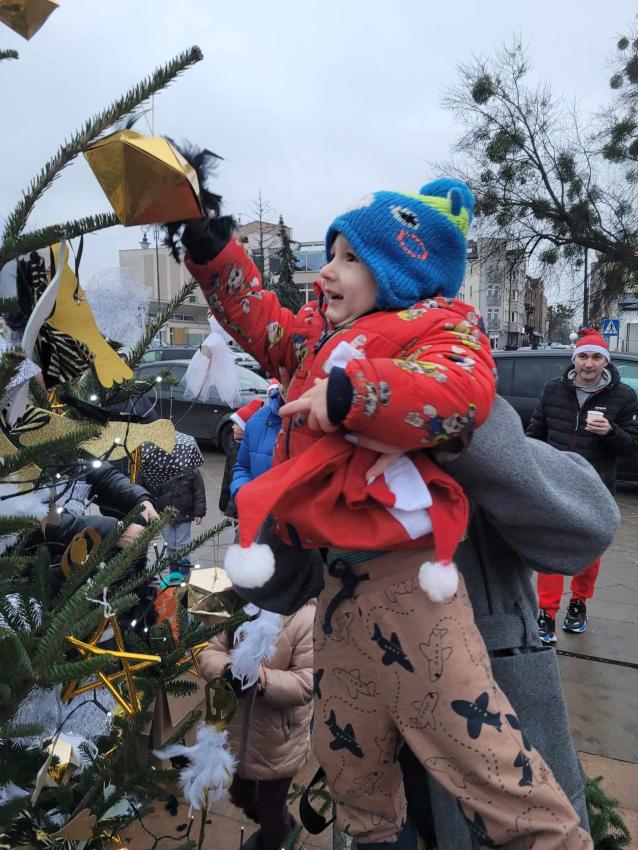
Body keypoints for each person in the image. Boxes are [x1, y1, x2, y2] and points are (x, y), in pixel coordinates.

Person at [183, 178, 592, 848]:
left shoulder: (440, 328)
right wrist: (211, 245)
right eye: (330, 254)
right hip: (342, 599)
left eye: (349, 259)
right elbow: (261, 321)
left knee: (488, 765)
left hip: (415, 595)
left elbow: (459, 389)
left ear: (399, 272)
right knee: (346, 753)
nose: (326, 272)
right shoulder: (320, 336)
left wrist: (355, 396)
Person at [526, 328, 638, 642]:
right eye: (583, 356)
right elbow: (535, 434)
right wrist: (532, 471)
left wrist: (610, 432)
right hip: (555, 482)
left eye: (596, 357)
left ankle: (579, 604)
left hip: (596, 486)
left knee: (589, 550)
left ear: (606, 361)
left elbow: (631, 446)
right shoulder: (553, 389)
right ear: (574, 359)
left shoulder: (624, 396)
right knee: (550, 549)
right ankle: (546, 612)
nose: (589, 364)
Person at [198, 601, 314, 850]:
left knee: (271, 811)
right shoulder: (241, 606)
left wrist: (261, 680)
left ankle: (281, 839)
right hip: (238, 734)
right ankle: (265, 816)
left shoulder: (305, 617)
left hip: (279, 743)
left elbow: (306, 682)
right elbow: (210, 651)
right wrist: (226, 670)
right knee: (240, 794)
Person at [137, 466, 206, 571]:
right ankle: (173, 568)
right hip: (163, 514)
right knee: (170, 544)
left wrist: (199, 512)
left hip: (184, 514)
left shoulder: (191, 472)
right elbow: (147, 491)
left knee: (183, 543)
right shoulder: (155, 470)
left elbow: (199, 492)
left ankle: (184, 569)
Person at [230, 385, 283, 499]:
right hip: (257, 507)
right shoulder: (256, 421)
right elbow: (243, 467)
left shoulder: (319, 422)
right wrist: (242, 492)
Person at [219, 399, 263, 519]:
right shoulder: (234, 447)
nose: (233, 427)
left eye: (237, 424)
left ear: (246, 428)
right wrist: (223, 504)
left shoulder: (244, 450)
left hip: (240, 507)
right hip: (233, 505)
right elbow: (227, 479)